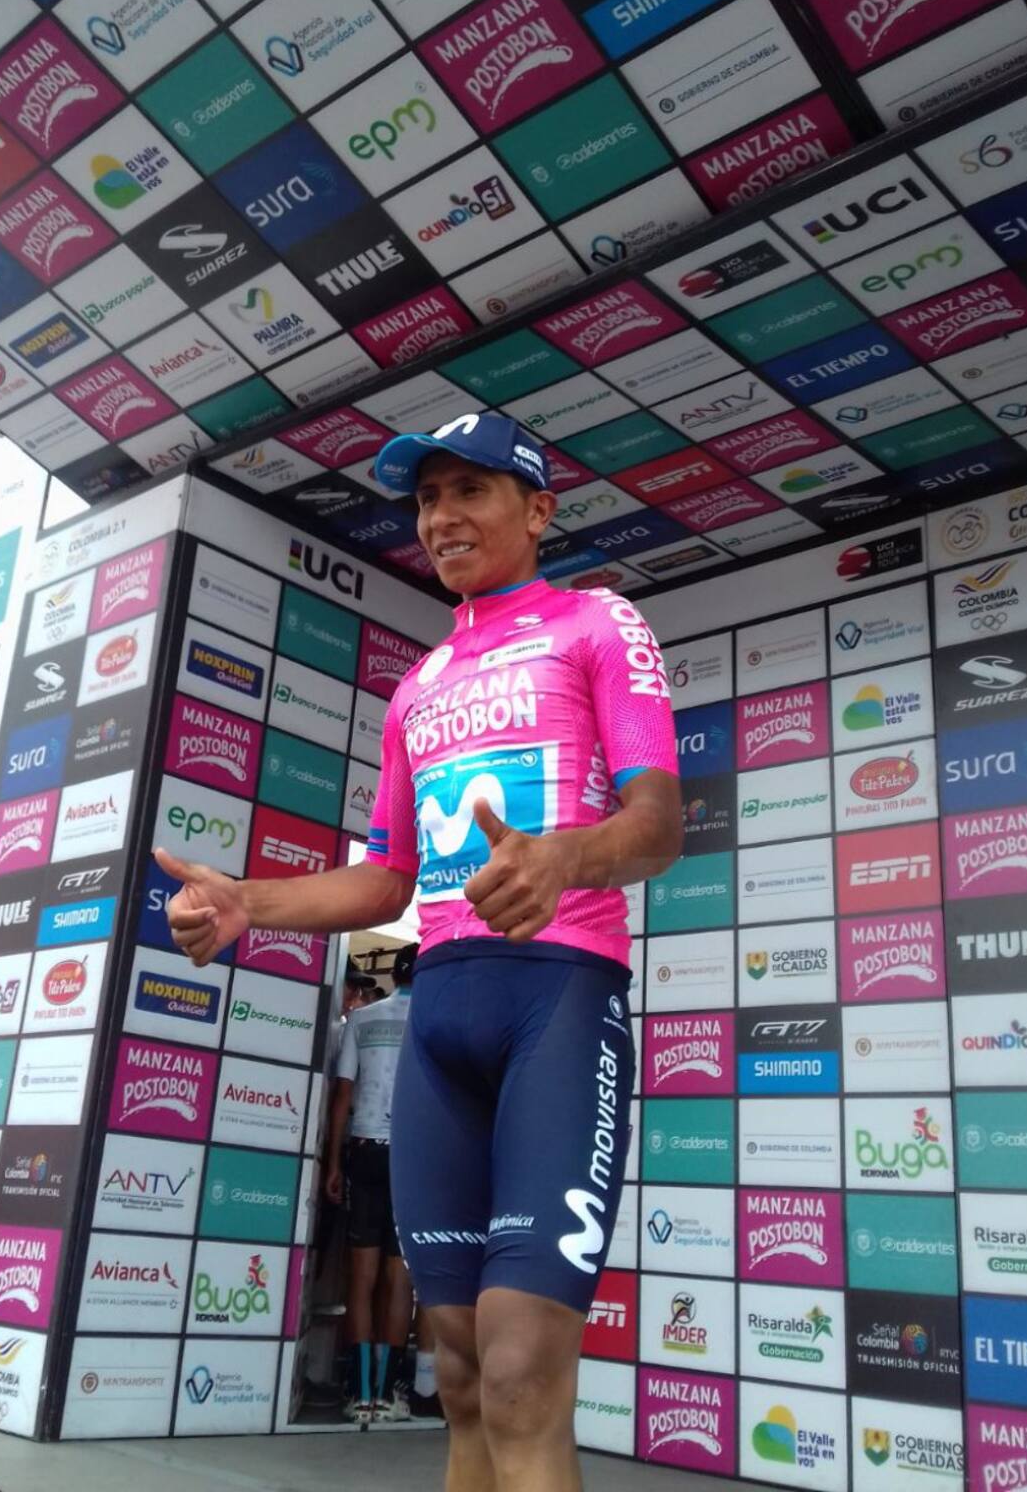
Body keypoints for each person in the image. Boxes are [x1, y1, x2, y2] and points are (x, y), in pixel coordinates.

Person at [156, 408, 682, 1492]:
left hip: (557, 1003)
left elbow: (660, 825)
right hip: (440, 1018)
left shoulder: (597, 621)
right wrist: (250, 901)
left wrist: (565, 858)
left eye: (469, 490)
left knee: (523, 1370)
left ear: (538, 509)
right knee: (459, 1373)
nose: (441, 517)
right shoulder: (418, 685)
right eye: (427, 498)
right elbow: (388, 879)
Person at [327, 943, 419, 1423]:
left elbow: (342, 1095)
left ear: (394, 977)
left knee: (361, 1280)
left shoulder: (360, 1019)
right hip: (413, 1158)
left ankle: (359, 1394)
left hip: (363, 1152)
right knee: (399, 1280)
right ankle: (390, 1395)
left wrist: (332, 1163)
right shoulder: (434, 1022)